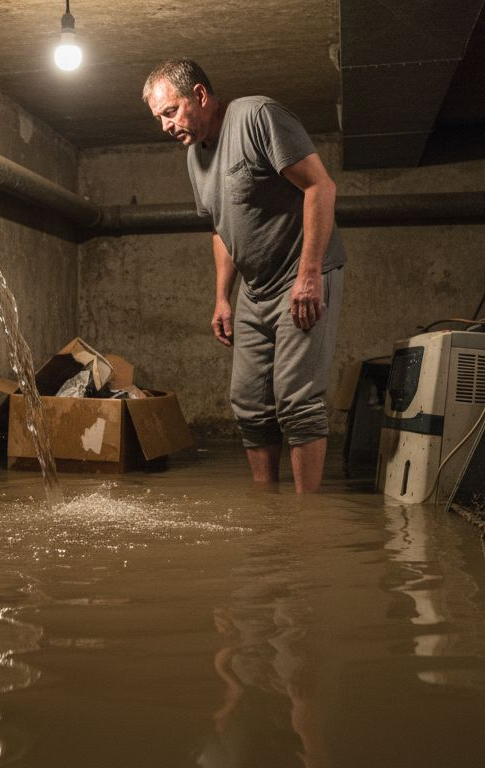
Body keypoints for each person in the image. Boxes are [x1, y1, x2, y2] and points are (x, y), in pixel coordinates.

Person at [142, 59, 345, 493]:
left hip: (300, 275)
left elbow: (320, 187)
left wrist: (309, 275)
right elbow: (221, 227)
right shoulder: (195, 157)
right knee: (250, 405)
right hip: (255, 290)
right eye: (159, 118)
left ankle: (308, 520)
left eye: (171, 111)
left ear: (199, 95)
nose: (165, 126)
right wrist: (222, 297)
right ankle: (269, 511)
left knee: (297, 402)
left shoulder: (256, 116)